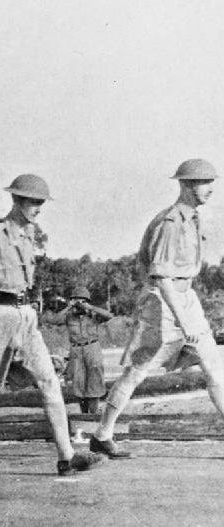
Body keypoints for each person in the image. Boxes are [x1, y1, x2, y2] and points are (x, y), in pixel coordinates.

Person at [0, 174, 103, 476]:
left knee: (50, 383)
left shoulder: (30, 235)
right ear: (16, 200)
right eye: (33, 202)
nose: (38, 208)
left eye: (41, 203)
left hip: (26, 317)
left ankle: (67, 456)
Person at [90, 159, 224, 459]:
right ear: (186, 185)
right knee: (137, 372)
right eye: (204, 183)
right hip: (163, 303)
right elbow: (160, 277)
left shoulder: (192, 219)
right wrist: (181, 319)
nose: (211, 189)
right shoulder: (170, 223)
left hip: (186, 298)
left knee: (215, 368)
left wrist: (188, 313)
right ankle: (102, 434)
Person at [44, 285, 112, 414]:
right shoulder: (69, 316)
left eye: (82, 301)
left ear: (87, 302)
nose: (79, 304)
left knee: (94, 381)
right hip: (76, 351)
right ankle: (84, 414)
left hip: (92, 348)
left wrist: (89, 308)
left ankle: (94, 412)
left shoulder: (93, 315)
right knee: (78, 382)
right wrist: (69, 307)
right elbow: (53, 320)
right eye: (76, 301)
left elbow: (109, 316)